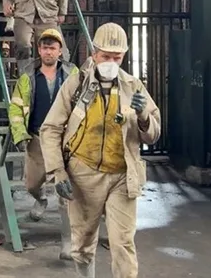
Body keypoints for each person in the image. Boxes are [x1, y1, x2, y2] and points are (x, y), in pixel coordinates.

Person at [40, 22, 162, 278]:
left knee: (123, 243)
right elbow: (50, 129)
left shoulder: (134, 87)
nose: (110, 61)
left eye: (116, 57)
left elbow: (153, 135)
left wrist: (143, 116)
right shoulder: (76, 85)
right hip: (84, 175)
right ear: (94, 53)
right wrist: (58, 172)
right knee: (83, 245)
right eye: (105, 56)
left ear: (124, 57)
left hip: (121, 175)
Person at [8, 29, 77, 243]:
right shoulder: (28, 76)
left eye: (52, 48)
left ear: (60, 51)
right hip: (37, 138)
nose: (48, 52)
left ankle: (68, 242)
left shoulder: (72, 75)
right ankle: (41, 199)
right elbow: (16, 107)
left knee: (64, 191)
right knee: (31, 184)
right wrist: (20, 135)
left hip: (64, 140)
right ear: (39, 50)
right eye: (45, 47)